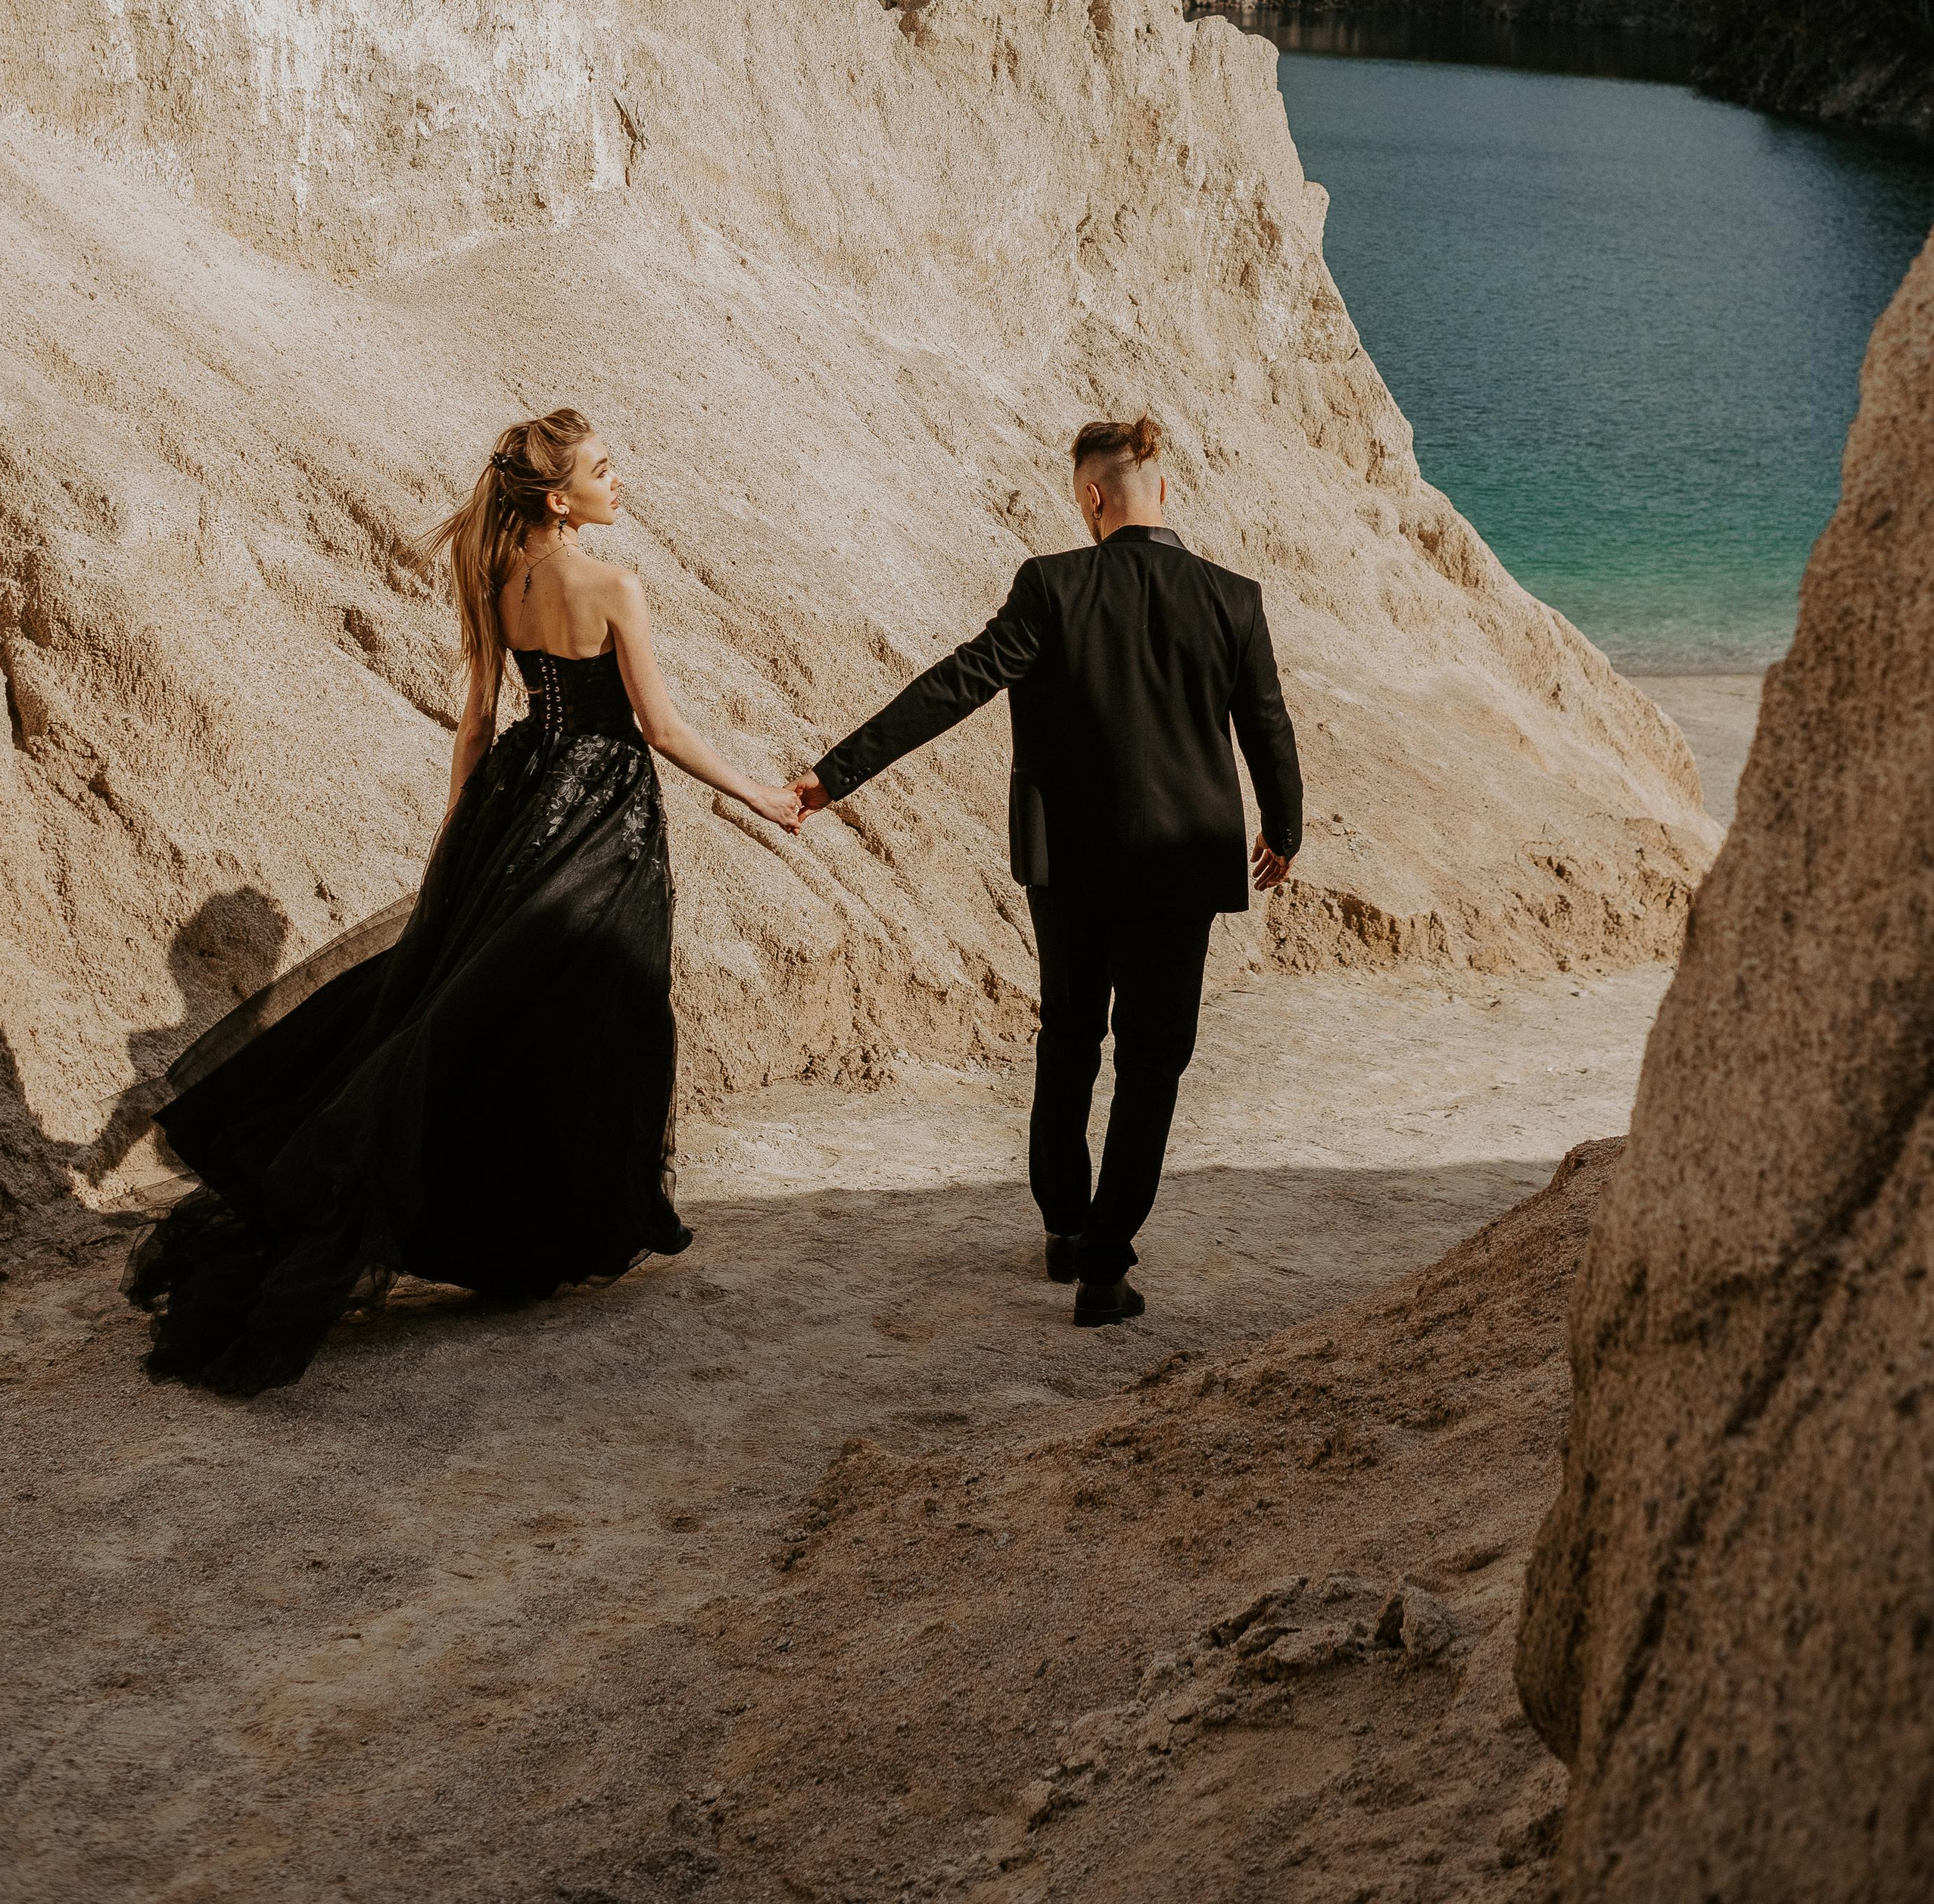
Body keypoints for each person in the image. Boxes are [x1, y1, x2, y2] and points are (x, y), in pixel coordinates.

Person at [126, 410, 803, 1398]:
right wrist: (761, 793)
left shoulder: (492, 578)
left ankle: (503, 1228)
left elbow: (479, 720)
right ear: (560, 498)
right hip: (605, 818)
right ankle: (535, 1234)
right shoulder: (615, 585)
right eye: (607, 470)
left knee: (470, 1017)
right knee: (595, 1021)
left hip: (515, 803)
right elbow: (657, 726)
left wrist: (458, 842)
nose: (625, 481)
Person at [801, 414, 1301, 1327]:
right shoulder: (1234, 598)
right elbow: (1267, 724)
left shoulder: (1051, 586)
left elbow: (958, 683)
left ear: (1091, 500)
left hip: (1069, 868)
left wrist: (836, 775)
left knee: (1070, 1039)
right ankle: (1105, 1267)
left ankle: (1066, 1229)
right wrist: (1285, 827)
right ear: (1165, 493)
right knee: (1154, 1063)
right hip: (1182, 866)